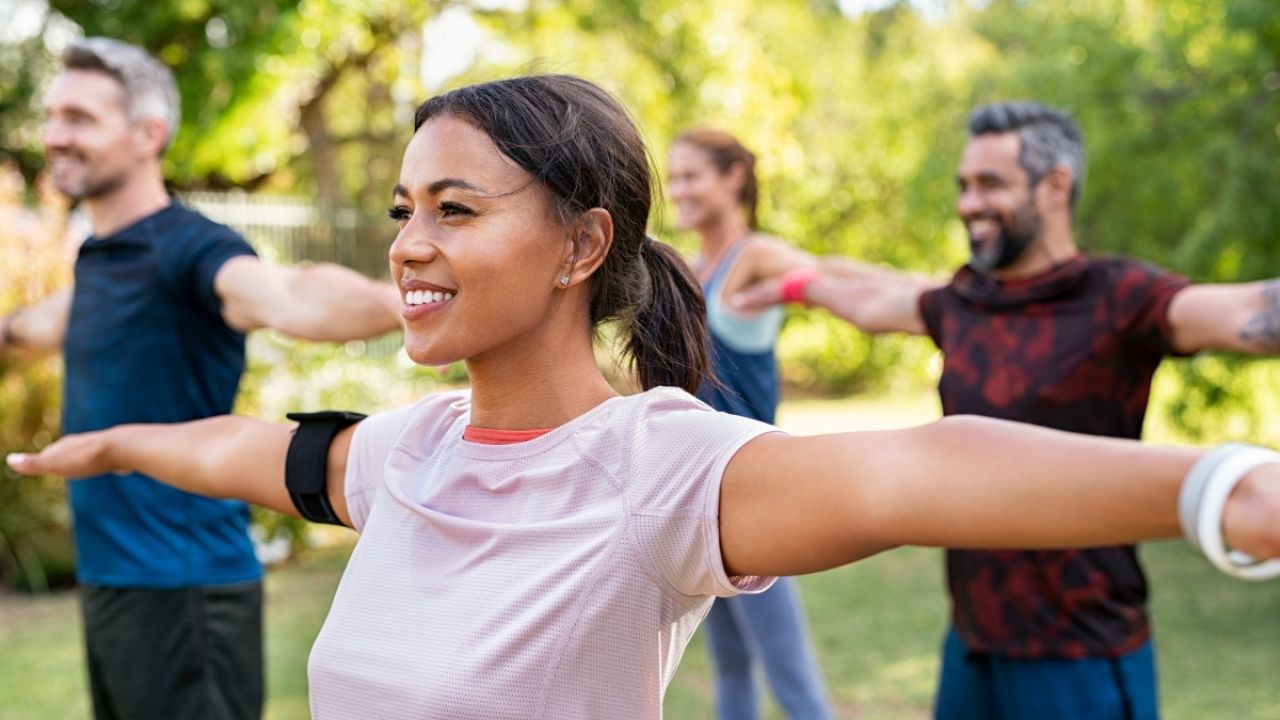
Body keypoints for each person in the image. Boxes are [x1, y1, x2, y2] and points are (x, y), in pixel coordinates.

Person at [8, 77, 1280, 720]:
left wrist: (1218, 486)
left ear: (578, 247)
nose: (407, 242)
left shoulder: (653, 471)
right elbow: (255, 450)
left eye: (454, 209)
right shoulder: (409, 452)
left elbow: (918, 468)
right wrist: (122, 439)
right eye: (403, 210)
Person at [732, 101, 1280, 720]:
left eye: (990, 184)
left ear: (1056, 186)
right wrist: (789, 287)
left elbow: (1243, 312)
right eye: (964, 186)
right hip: (973, 647)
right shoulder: (963, 300)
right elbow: (871, 297)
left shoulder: (1118, 297)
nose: (968, 204)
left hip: (1081, 653)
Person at [0, 38, 402, 720]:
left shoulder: (190, 249)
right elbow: (24, 332)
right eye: (54, 115)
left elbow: (289, 295)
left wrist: (409, 304)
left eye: (80, 118)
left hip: (183, 589)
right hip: (114, 585)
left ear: (147, 134)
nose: (56, 136)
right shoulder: (102, 259)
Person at [668, 129, 832, 719]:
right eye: (675, 176)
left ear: (733, 176)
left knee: (791, 678)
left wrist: (788, 289)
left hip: (756, 497)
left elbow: (825, 278)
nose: (677, 189)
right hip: (701, 499)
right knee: (733, 667)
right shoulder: (690, 268)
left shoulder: (755, 256)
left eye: (691, 175)